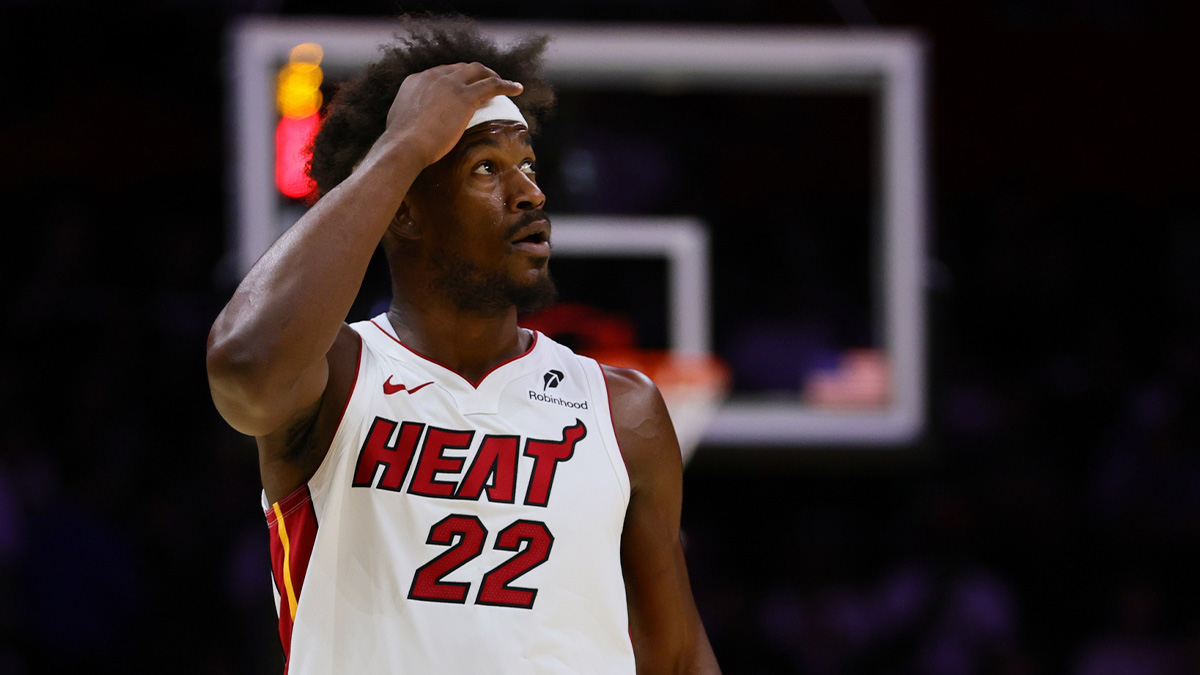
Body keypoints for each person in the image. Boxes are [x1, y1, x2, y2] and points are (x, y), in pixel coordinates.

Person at [206, 17, 721, 674]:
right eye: (486, 167)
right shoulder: (336, 377)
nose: (530, 192)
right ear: (404, 209)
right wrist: (402, 145)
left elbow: (676, 658)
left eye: (527, 165)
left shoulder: (624, 411)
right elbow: (243, 367)